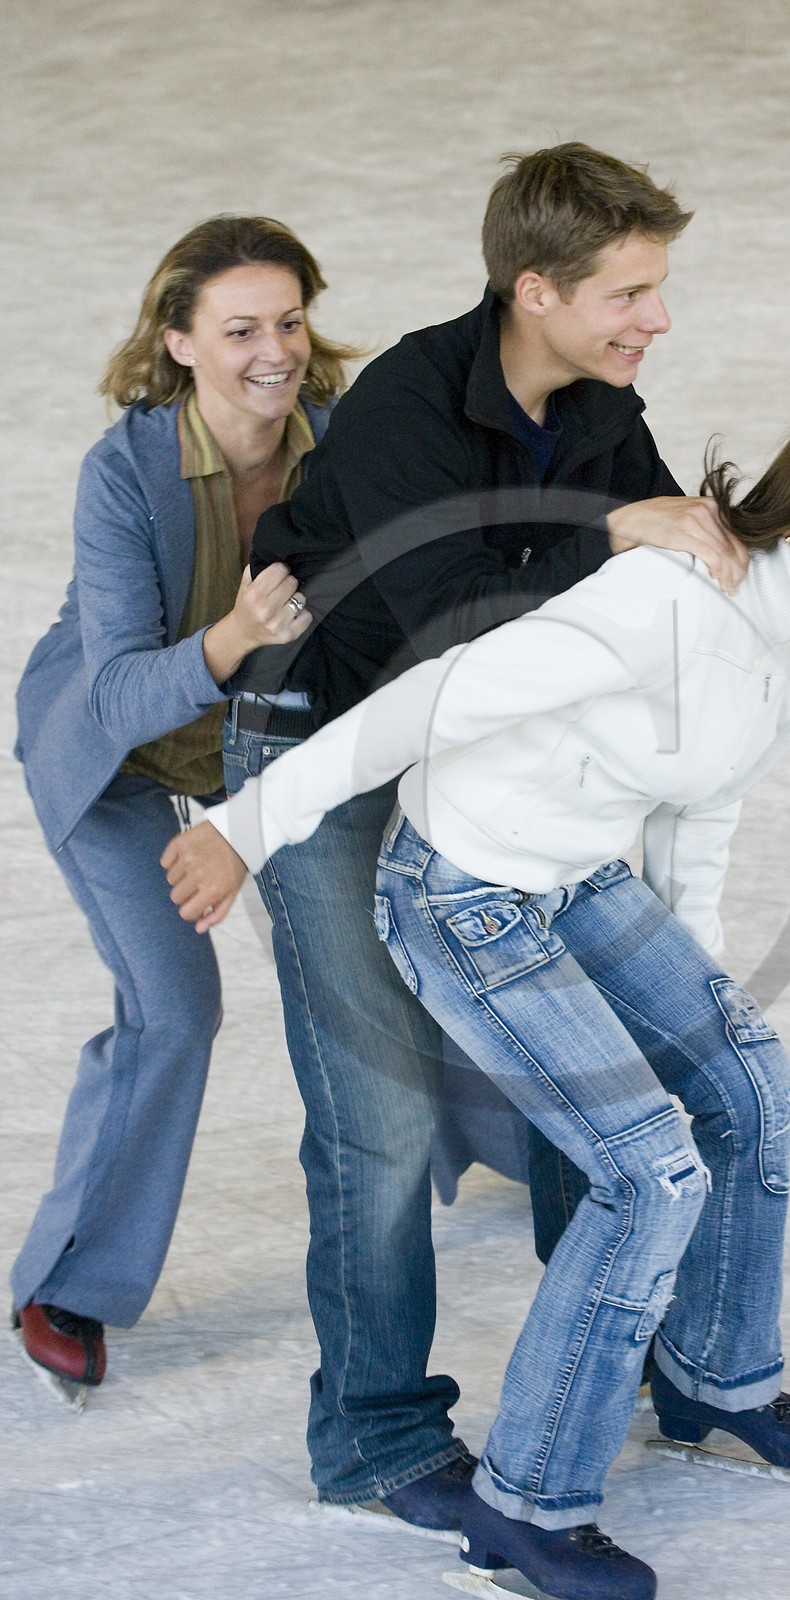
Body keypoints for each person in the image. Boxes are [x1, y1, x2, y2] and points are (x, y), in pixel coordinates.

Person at [164, 404, 790, 1600]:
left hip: (577, 875)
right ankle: (525, 1506)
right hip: (464, 888)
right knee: (648, 1170)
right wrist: (243, 825)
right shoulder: (667, 603)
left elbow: (702, 809)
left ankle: (711, 1377)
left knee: (752, 1086)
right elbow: (428, 699)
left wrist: (696, 1005)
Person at [206, 142, 746, 1531]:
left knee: (592, 1069)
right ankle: (375, 1440)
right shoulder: (401, 409)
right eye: (628, 292)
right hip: (323, 739)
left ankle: (604, 1356)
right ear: (534, 289)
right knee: (377, 1114)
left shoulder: (601, 400)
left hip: (487, 746)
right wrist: (618, 534)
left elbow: (621, 602)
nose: (654, 320)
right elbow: (449, 619)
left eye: (655, 290)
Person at [10, 215, 359, 1405]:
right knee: (172, 1008)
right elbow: (111, 685)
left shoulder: (341, 444)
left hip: (263, 747)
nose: (276, 351)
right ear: (179, 344)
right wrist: (235, 635)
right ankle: (69, 1281)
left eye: (290, 321)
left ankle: (505, 1143)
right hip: (109, 756)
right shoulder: (124, 472)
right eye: (241, 328)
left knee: (394, 933)